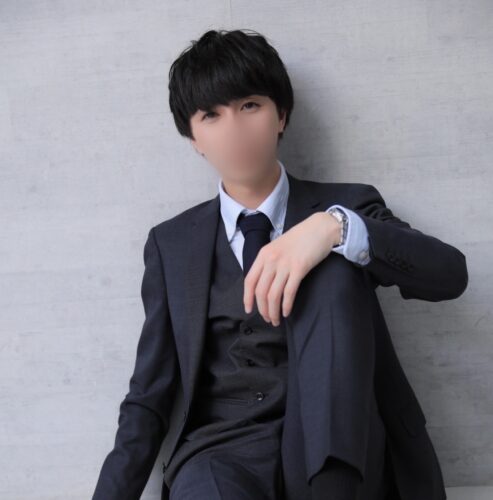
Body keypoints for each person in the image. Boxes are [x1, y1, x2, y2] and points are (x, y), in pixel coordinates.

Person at [92, 28, 468, 500]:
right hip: (222, 451)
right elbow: (148, 396)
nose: (234, 129)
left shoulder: (348, 204)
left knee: (331, 269)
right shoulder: (172, 244)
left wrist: (333, 229)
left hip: (339, 447)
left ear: (281, 115)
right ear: (193, 138)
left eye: (250, 105)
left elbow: (449, 275)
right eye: (211, 115)